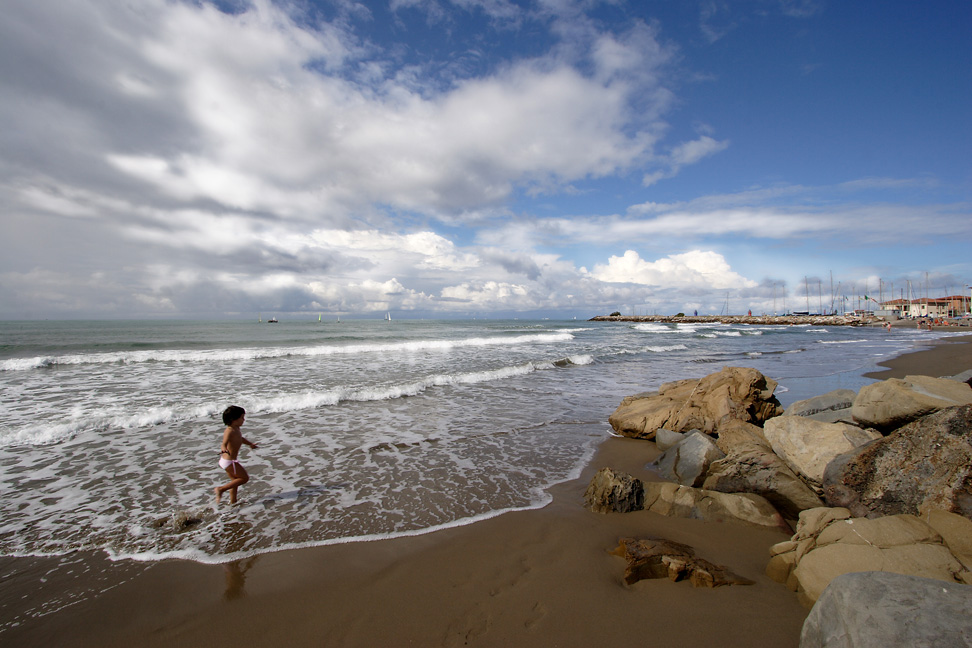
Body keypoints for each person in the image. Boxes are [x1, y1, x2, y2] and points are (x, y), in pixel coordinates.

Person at [214, 405, 258, 504]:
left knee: (234, 482)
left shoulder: (236, 428)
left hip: (228, 461)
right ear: (233, 419)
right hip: (229, 461)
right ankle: (221, 489)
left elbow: (240, 439)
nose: (244, 420)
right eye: (242, 417)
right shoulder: (229, 431)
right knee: (244, 478)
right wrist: (224, 449)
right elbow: (224, 443)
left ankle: (233, 502)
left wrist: (250, 444)